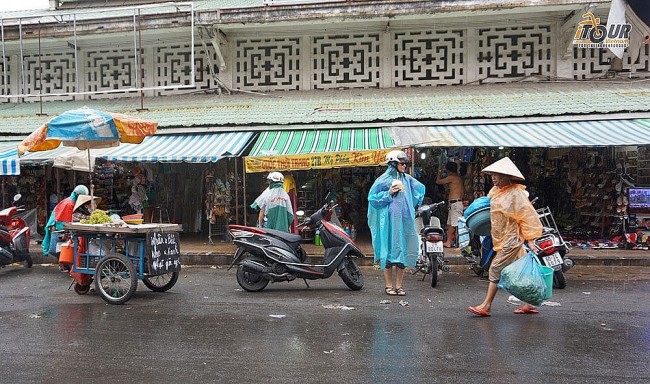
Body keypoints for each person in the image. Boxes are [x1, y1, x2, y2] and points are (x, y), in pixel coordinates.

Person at [468, 157, 543, 317]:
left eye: (498, 175)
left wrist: (531, 240)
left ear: (507, 177)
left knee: (495, 268)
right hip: (499, 239)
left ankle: (486, 305)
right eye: (493, 175)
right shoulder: (495, 192)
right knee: (521, 272)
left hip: (511, 240)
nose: (494, 178)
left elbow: (528, 217)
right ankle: (530, 304)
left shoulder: (517, 194)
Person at [368, 150, 425, 296]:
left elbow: (420, 190)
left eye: (405, 163)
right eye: (402, 163)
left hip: (404, 222)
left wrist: (415, 203)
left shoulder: (408, 179)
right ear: (393, 163)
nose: (404, 165)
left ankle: (399, 286)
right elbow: (372, 199)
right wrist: (389, 193)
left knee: (403, 251)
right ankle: (388, 286)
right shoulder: (382, 181)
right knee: (387, 251)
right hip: (388, 223)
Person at [42, 185, 90, 258]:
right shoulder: (69, 203)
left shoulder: (72, 202)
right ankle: (64, 262)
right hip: (57, 226)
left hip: (62, 226)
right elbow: (67, 219)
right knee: (56, 249)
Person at [436, 161, 464, 247]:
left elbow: (438, 181)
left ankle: (455, 242)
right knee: (450, 224)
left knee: (454, 224)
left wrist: (440, 171)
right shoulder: (458, 178)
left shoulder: (452, 177)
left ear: (448, 170)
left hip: (455, 204)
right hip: (455, 203)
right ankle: (449, 241)